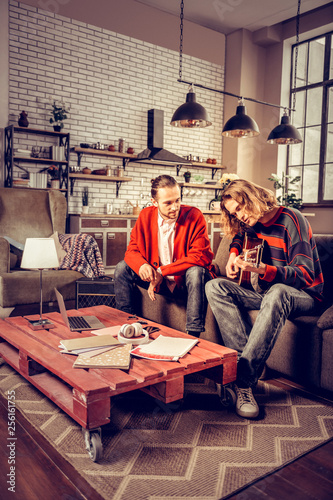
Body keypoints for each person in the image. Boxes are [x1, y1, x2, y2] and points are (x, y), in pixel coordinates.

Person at [205, 179, 324, 419]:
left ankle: (243, 381)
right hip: (267, 293)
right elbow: (240, 236)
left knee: (278, 291)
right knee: (215, 286)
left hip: (304, 294)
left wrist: (263, 270)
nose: (239, 216)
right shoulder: (251, 222)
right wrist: (233, 254)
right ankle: (241, 367)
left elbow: (305, 274)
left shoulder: (292, 219)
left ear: (251, 198)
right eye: (233, 213)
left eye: (239, 208)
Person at [114, 174, 215, 337]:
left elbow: (200, 256)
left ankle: (193, 334)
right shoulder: (145, 215)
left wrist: (161, 272)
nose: (175, 207)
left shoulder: (194, 215)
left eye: (177, 200)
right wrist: (143, 266)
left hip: (185, 283)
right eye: (168, 203)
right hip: (160, 283)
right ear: (155, 203)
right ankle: (126, 324)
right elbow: (131, 250)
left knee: (196, 271)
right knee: (122, 268)